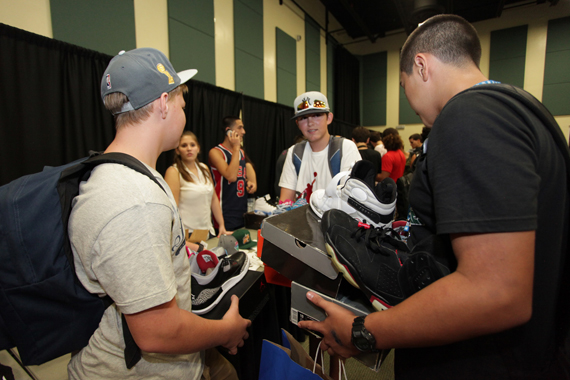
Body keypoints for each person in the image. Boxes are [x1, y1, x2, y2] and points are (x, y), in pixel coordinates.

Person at [297, 14, 570, 379]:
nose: (408, 97)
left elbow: (496, 292)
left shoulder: (469, 116)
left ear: (421, 66)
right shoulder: (525, 109)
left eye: (403, 82)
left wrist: (363, 332)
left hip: (476, 364)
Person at [68, 48, 250, 379]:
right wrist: (226, 331)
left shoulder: (132, 174)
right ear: (164, 103)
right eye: (181, 103)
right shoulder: (135, 199)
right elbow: (157, 332)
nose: (183, 111)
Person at [278, 91, 361, 203]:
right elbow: (285, 202)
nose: (310, 123)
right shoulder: (295, 152)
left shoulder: (345, 148)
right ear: (297, 123)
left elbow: (353, 200)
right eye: (303, 118)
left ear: (329, 118)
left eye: (317, 115)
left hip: (335, 219)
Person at [165, 131, 227, 252]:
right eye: (184, 145)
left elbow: (213, 198)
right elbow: (172, 210)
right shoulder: (174, 171)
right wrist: (180, 239)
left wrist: (221, 225)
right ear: (177, 150)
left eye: (192, 145)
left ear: (198, 148)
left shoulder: (204, 168)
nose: (189, 149)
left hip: (208, 232)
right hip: (188, 236)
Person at [209, 116, 257, 231]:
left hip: (241, 211)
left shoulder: (240, 152)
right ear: (228, 131)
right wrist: (236, 147)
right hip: (224, 213)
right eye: (240, 128)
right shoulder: (216, 152)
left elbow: (240, 176)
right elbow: (231, 176)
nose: (243, 132)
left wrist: (249, 183)